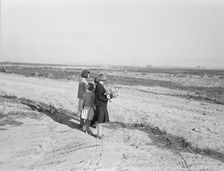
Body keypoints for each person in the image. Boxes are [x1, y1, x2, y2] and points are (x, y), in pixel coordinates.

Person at [94, 74, 109, 138]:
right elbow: (99, 96)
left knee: (99, 120)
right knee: (100, 120)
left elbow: (99, 95)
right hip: (100, 105)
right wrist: (107, 99)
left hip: (99, 104)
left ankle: (99, 134)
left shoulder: (99, 85)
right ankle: (99, 135)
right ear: (102, 79)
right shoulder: (100, 86)